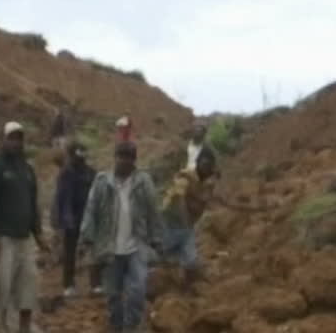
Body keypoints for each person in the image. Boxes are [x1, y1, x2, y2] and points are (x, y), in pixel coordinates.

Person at [80, 141, 163, 333]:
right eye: (120, 156)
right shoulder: (102, 182)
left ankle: (131, 327)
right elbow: (91, 210)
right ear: (114, 158)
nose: (123, 161)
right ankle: (116, 326)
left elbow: (153, 212)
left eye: (128, 157)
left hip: (137, 246)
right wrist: (86, 237)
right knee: (112, 294)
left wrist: (157, 239)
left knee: (137, 291)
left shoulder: (143, 182)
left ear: (134, 161)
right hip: (110, 248)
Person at [0, 121, 48, 333]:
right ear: (2, 139)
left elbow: (32, 202)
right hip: (3, 239)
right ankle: (0, 326)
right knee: (2, 287)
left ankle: (24, 328)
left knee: (28, 286)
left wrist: (38, 234)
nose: (16, 142)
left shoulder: (27, 169)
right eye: (11, 137)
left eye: (19, 138)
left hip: (24, 239)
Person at [159, 147, 218, 290]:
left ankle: (188, 289)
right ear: (198, 162)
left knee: (190, 261)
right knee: (158, 253)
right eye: (204, 164)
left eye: (209, 165)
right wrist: (186, 223)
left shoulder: (207, 182)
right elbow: (179, 199)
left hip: (187, 225)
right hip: (171, 221)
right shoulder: (186, 177)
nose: (206, 167)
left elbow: (207, 201)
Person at [53, 142, 102, 298]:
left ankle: (96, 284)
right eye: (77, 156)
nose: (80, 159)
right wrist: (63, 221)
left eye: (82, 156)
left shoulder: (91, 173)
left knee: (93, 251)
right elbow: (62, 199)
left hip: (88, 217)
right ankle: (68, 284)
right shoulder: (65, 174)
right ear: (71, 155)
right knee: (70, 252)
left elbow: (97, 196)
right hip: (71, 218)